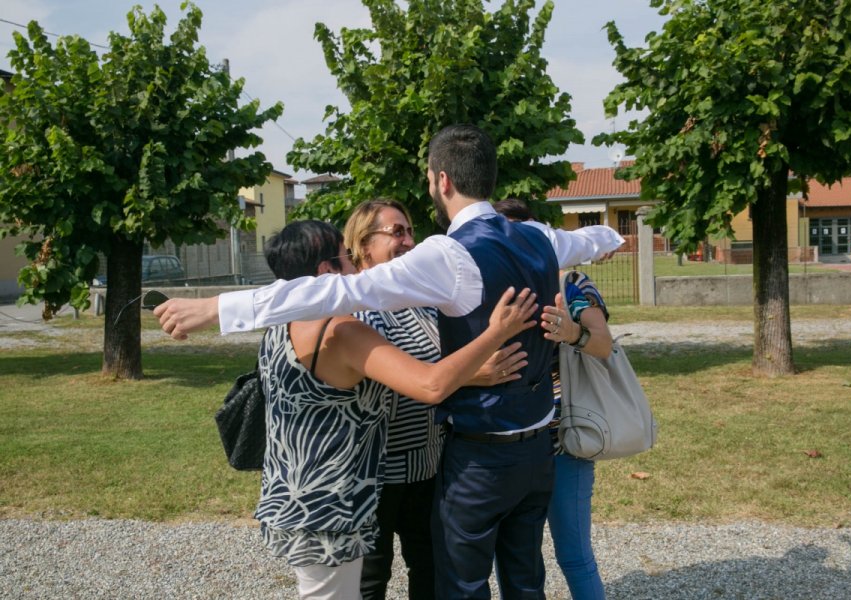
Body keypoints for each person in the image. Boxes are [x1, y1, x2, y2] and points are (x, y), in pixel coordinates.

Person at [154, 123, 624, 598]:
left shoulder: (449, 253)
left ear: (441, 180)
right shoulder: (539, 237)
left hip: (480, 456)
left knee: (461, 586)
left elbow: (342, 289)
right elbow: (594, 238)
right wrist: (613, 241)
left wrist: (217, 308)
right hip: (538, 449)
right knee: (525, 581)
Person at [254, 219, 537, 599]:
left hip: (289, 494)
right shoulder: (342, 331)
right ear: (326, 270)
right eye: (346, 257)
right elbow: (430, 384)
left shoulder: (279, 324)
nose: (355, 267)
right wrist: (495, 334)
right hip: (330, 505)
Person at [343, 199, 527, 599]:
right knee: (371, 577)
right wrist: (472, 377)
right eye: (397, 232)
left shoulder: (419, 301)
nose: (409, 241)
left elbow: (442, 365)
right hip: (375, 472)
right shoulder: (355, 309)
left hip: (427, 465)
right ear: (362, 244)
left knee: (428, 567)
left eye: (410, 231)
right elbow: (397, 385)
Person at [495, 198, 614, 600]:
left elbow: (603, 346)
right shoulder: (491, 288)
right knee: (512, 556)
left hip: (564, 440)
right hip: (510, 441)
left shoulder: (571, 284)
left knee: (574, 555)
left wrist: (572, 332)